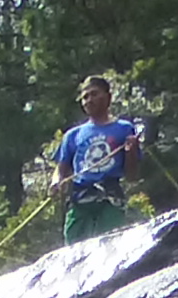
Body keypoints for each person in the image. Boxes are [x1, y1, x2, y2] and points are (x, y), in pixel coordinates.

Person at [48, 74, 149, 245]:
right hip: (80, 200)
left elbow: (131, 175)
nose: (89, 100)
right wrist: (56, 182)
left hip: (110, 199)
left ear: (108, 97)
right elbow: (61, 167)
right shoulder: (73, 135)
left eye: (94, 94)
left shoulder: (124, 128)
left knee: (110, 245)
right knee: (73, 248)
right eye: (85, 97)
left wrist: (131, 152)